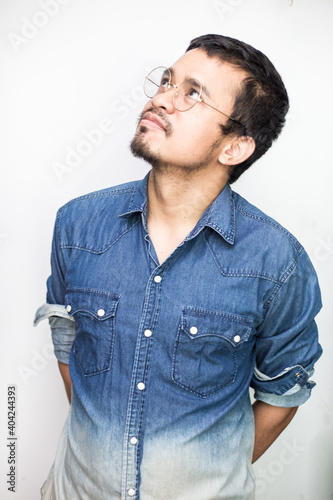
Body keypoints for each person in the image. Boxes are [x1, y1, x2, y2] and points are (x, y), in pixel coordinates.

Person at [34, 34, 322, 500]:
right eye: (167, 81)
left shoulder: (276, 262)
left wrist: (209, 468)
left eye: (193, 94)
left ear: (233, 148)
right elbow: (68, 341)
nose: (162, 97)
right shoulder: (77, 225)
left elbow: (284, 389)